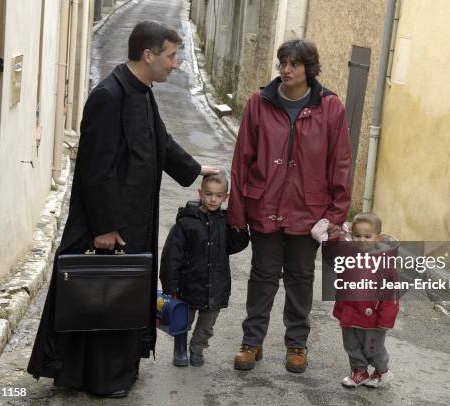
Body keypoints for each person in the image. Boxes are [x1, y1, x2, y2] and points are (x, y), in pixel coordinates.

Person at [27, 20, 218, 397]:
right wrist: (104, 226)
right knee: (101, 297)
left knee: (122, 297)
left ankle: (117, 372)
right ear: (148, 55)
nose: (175, 64)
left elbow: (159, 139)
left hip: (134, 221)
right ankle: (99, 378)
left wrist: (195, 169)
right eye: (171, 55)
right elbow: (94, 170)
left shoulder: (143, 91)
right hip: (109, 224)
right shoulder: (108, 96)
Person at [228, 39, 352, 373]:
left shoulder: (330, 107)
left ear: (308, 69)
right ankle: (251, 343)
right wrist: (237, 210)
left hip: (309, 211)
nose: (286, 70)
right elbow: (242, 160)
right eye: (283, 62)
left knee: (300, 277)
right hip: (264, 205)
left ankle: (296, 344)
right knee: (262, 276)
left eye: (294, 64)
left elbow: (340, 162)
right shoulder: (259, 103)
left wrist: (336, 214)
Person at [160, 172, 249, 367]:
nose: (213, 199)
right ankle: (180, 348)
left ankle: (197, 348)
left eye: (218, 196)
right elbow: (171, 256)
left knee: (207, 323)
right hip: (189, 284)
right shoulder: (186, 223)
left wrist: (241, 228)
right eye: (209, 194)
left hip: (216, 284)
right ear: (200, 193)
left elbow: (235, 246)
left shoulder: (225, 222)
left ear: (225, 197)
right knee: (183, 319)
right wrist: (170, 286)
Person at [332, 212, 399, 388]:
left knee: (373, 349)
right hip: (350, 313)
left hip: (373, 318)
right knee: (351, 345)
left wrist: (386, 320)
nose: (362, 240)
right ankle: (359, 371)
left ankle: (382, 372)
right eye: (357, 235)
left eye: (367, 236)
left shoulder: (384, 263)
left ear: (378, 237)